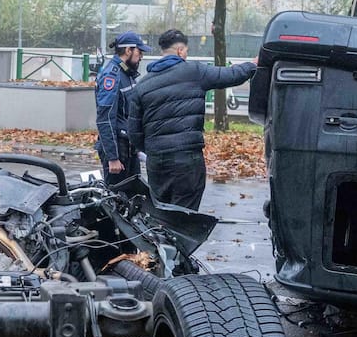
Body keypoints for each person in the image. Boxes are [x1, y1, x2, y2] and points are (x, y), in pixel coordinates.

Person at [128, 29, 257, 210]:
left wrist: (154, 148)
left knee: (161, 214)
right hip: (186, 159)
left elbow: (134, 133)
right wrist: (253, 64)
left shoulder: (142, 86)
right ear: (180, 51)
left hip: (156, 162)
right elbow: (231, 75)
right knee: (185, 216)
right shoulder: (194, 72)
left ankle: (161, 238)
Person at [94, 31, 148, 188]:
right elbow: (105, 119)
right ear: (128, 50)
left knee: (135, 197)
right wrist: (112, 157)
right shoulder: (112, 76)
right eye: (139, 51)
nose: (142, 56)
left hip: (129, 147)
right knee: (117, 201)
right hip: (118, 149)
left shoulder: (127, 74)